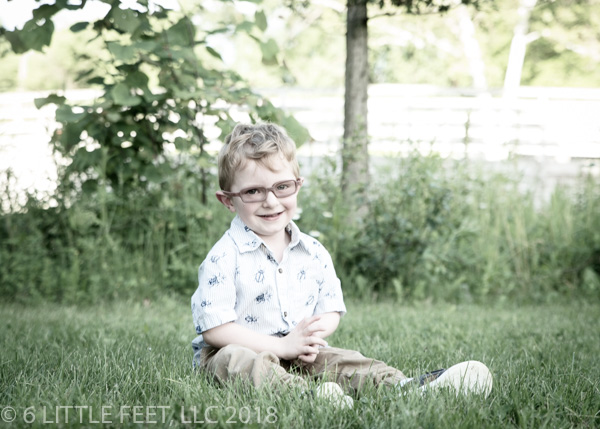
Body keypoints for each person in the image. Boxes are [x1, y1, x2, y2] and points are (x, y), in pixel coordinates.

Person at [191, 122, 492, 408]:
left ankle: (405, 387)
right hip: (237, 351)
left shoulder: (313, 252)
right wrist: (280, 347)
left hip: (299, 353)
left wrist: (311, 335)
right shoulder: (224, 256)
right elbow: (215, 330)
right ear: (228, 200)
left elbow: (331, 308)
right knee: (234, 361)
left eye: (282, 187)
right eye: (253, 191)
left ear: (297, 185)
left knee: (344, 360)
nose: (270, 201)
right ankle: (306, 397)